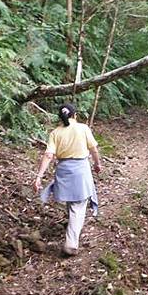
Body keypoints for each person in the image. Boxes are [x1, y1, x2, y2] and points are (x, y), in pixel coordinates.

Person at [33, 103, 102, 256]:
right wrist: (97, 164)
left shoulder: (55, 133)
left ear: (60, 117)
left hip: (63, 171)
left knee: (73, 202)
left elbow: (49, 155)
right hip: (80, 171)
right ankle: (71, 244)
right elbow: (94, 149)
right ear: (75, 115)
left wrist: (38, 176)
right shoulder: (83, 128)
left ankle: (71, 227)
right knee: (78, 205)